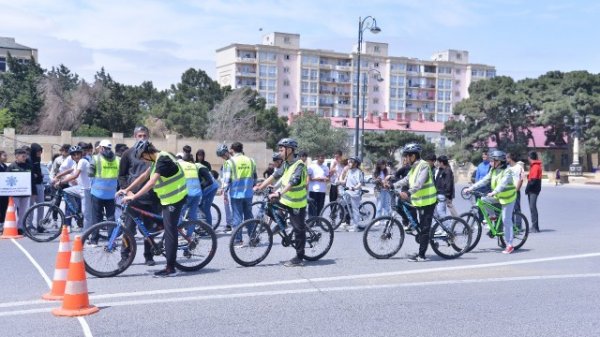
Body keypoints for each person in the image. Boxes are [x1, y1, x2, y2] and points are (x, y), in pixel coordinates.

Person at [119, 140, 188, 277]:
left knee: (170, 231)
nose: (143, 160)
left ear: (147, 153)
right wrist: (126, 189)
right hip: (166, 198)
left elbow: (151, 182)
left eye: (142, 157)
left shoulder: (163, 159)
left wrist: (134, 197)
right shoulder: (155, 161)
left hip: (176, 198)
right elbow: (143, 176)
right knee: (159, 224)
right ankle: (159, 233)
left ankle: (170, 268)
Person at [253, 138, 308, 267]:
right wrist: (260, 186)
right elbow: (275, 175)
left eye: (281, 149)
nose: (280, 152)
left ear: (289, 150)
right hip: (286, 200)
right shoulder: (286, 164)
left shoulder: (299, 165)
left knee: (299, 229)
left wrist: (279, 193)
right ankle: (282, 224)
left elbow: (293, 182)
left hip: (296, 203)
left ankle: (299, 257)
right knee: (269, 207)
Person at [118, 125, 161, 266]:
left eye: (145, 135)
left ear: (148, 136)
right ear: (134, 136)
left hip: (151, 199)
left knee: (149, 230)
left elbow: (153, 176)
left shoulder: (154, 154)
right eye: (139, 136)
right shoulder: (128, 153)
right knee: (128, 229)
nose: (142, 138)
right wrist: (127, 190)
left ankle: (149, 256)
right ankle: (125, 256)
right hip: (132, 199)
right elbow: (122, 176)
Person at [393, 143, 437, 262]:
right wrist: (392, 185)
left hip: (428, 201)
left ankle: (421, 255)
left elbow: (419, 184)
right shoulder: (414, 167)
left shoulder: (424, 165)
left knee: (424, 228)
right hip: (419, 201)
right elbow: (406, 180)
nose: (405, 158)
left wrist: (408, 193)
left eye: (407, 156)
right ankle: (421, 239)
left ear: (413, 156)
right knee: (421, 227)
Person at [467, 150, 517, 254]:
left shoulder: (507, 171)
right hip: (498, 196)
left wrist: (494, 191)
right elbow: (484, 180)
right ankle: (492, 216)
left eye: (493, 160)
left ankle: (510, 245)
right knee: (483, 199)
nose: (490, 162)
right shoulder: (493, 170)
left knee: (505, 220)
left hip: (508, 198)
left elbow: (502, 184)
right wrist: (471, 188)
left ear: (499, 161)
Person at [220, 142, 256, 246]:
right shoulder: (251, 161)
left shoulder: (230, 162)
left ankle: (238, 240)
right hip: (248, 193)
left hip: (236, 194)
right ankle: (253, 238)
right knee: (249, 216)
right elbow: (254, 177)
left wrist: (225, 193)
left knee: (237, 217)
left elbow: (226, 180)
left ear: (231, 150)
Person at [88, 140, 119, 242]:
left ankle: (94, 240)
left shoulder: (96, 158)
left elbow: (90, 173)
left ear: (101, 148)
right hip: (111, 194)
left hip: (97, 193)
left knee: (96, 217)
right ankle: (111, 240)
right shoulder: (118, 160)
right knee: (111, 218)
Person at [56, 146, 92, 232]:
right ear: (71, 156)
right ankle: (77, 211)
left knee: (86, 214)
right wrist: (57, 176)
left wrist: (61, 182)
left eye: (78, 154)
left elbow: (75, 175)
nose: (76, 156)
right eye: (74, 155)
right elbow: (70, 170)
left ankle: (87, 233)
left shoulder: (83, 161)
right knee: (65, 192)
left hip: (86, 189)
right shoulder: (76, 163)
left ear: (81, 154)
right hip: (80, 188)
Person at [8, 149, 34, 234]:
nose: (24, 158)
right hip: (14, 194)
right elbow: (6, 179)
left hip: (25, 193)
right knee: (13, 210)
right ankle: (11, 227)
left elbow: (32, 180)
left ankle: (20, 228)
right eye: (23, 156)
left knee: (23, 211)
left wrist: (33, 191)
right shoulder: (11, 167)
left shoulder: (29, 166)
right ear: (17, 156)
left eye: (25, 156)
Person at [338, 156, 364, 232]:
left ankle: (356, 226)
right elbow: (344, 181)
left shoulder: (359, 172)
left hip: (355, 193)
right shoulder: (349, 171)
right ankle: (348, 222)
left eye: (351, 162)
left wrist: (354, 188)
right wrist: (339, 182)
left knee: (355, 209)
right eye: (349, 161)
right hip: (348, 191)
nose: (349, 163)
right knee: (345, 206)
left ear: (356, 164)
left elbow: (360, 183)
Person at [177, 154, 202, 223]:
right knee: (193, 214)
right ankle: (189, 233)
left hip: (187, 193)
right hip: (197, 193)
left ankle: (179, 230)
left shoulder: (180, 165)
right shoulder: (194, 166)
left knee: (179, 212)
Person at [216, 144, 234, 233]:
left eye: (222, 155)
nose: (222, 157)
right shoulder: (226, 163)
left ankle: (231, 225)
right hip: (227, 189)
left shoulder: (230, 162)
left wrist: (224, 189)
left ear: (227, 153)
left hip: (230, 188)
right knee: (227, 207)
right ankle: (229, 224)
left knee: (230, 207)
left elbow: (227, 178)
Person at [525, 151, 542, 233]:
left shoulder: (535, 166)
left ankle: (535, 227)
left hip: (533, 189)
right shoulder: (534, 166)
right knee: (532, 207)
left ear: (529, 157)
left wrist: (527, 189)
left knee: (532, 207)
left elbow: (533, 181)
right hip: (534, 189)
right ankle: (534, 226)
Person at [506, 153, 524, 225]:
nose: (506, 159)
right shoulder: (507, 168)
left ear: (510, 158)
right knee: (510, 209)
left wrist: (516, 190)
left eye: (506, 158)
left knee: (517, 209)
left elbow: (521, 179)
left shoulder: (519, 167)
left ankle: (518, 226)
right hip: (508, 191)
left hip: (515, 191)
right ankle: (511, 225)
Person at [29, 143, 44, 213]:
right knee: (30, 207)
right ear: (33, 151)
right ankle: (29, 224)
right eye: (38, 152)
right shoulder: (28, 159)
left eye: (40, 151)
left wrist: (40, 174)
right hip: (32, 185)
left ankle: (40, 223)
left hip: (40, 183)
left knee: (41, 205)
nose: (40, 153)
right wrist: (33, 174)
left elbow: (38, 169)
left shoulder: (38, 158)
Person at [0, 151, 8, 232]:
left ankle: (2, 224)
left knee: (4, 208)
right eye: (4, 156)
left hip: (4, 192)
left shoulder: (5, 166)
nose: (6, 157)